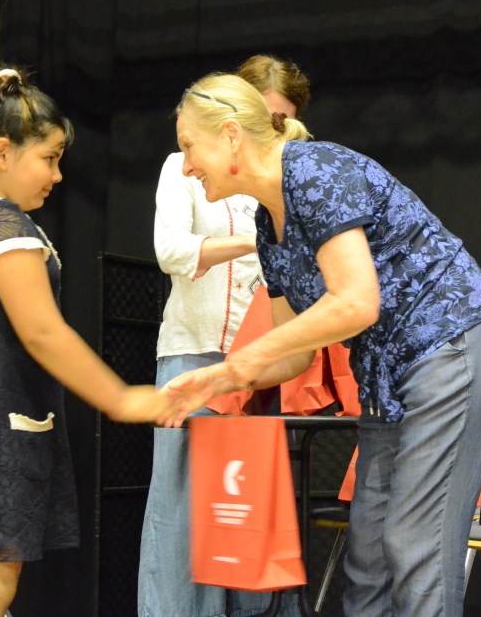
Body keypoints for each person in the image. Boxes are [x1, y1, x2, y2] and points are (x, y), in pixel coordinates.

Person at [164, 73, 481, 617]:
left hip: (451, 345)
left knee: (414, 544)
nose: (186, 165)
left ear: (231, 135)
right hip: (387, 375)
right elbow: (294, 353)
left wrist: (246, 360)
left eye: (190, 146)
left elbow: (356, 302)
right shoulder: (267, 225)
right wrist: (218, 378)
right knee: (368, 555)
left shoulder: (314, 170)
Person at [0, 66, 180, 617]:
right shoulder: (0, 224)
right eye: (49, 158)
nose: (58, 175)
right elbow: (42, 331)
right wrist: (122, 398)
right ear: (2, 153)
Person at [137, 55, 311, 617]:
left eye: (284, 119)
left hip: (265, 359)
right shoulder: (183, 166)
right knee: (184, 511)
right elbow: (172, 251)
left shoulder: (285, 174)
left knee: (251, 508)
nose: (276, 127)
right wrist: (258, 242)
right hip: (196, 353)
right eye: (269, 115)